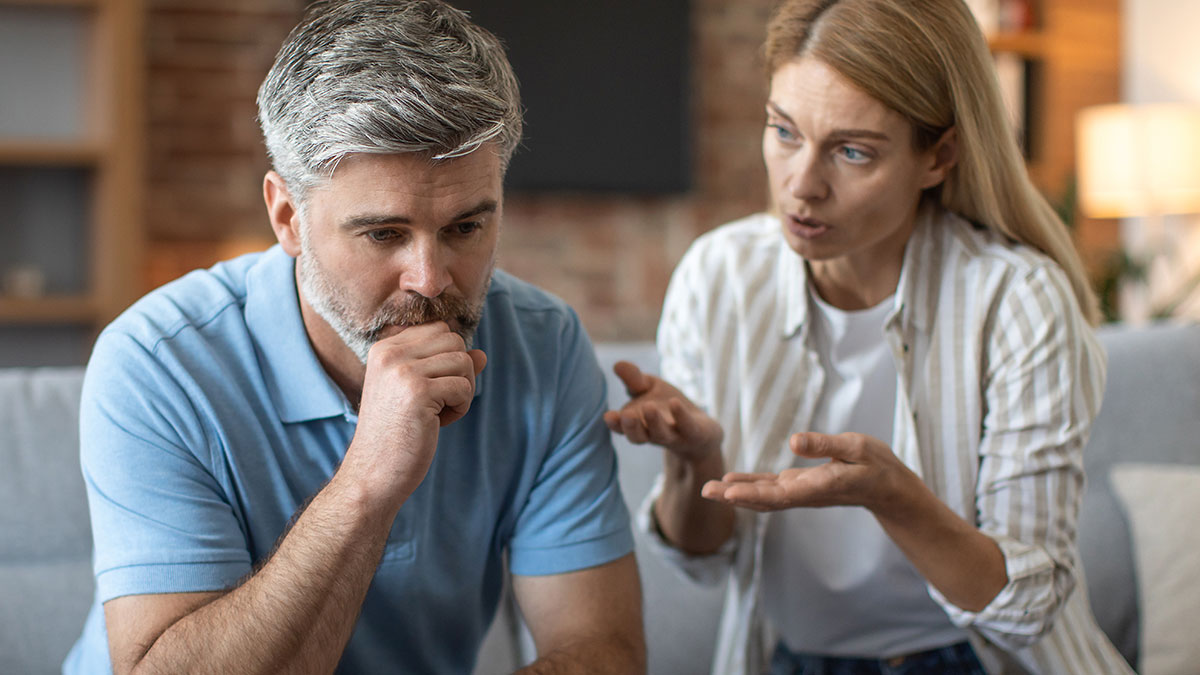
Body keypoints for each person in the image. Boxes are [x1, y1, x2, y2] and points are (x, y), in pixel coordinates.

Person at [63, 1, 645, 673]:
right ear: (287, 217)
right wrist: (369, 479)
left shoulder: (545, 346)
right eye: (383, 234)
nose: (430, 280)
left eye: (465, 227)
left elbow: (603, 651)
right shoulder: (157, 364)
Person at [606, 0, 1133, 673]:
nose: (801, 184)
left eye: (852, 151)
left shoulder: (1016, 300)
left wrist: (895, 496)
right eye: (784, 131)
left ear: (939, 155)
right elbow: (702, 561)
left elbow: (1028, 607)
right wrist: (697, 460)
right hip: (787, 657)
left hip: (979, 659)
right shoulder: (720, 277)